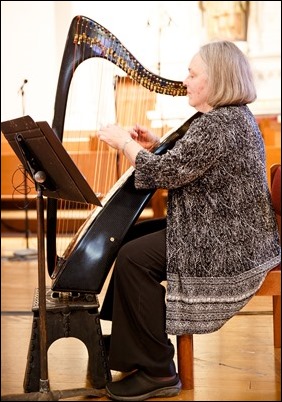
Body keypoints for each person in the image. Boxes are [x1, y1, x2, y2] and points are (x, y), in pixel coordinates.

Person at [97, 40, 281, 401]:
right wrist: (149, 145)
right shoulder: (227, 118)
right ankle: (133, 345)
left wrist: (125, 144)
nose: (185, 80)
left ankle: (157, 371)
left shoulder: (219, 124)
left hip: (231, 245)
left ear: (217, 81)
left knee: (134, 258)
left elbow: (167, 172)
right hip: (226, 231)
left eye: (193, 74)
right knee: (129, 238)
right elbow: (187, 163)